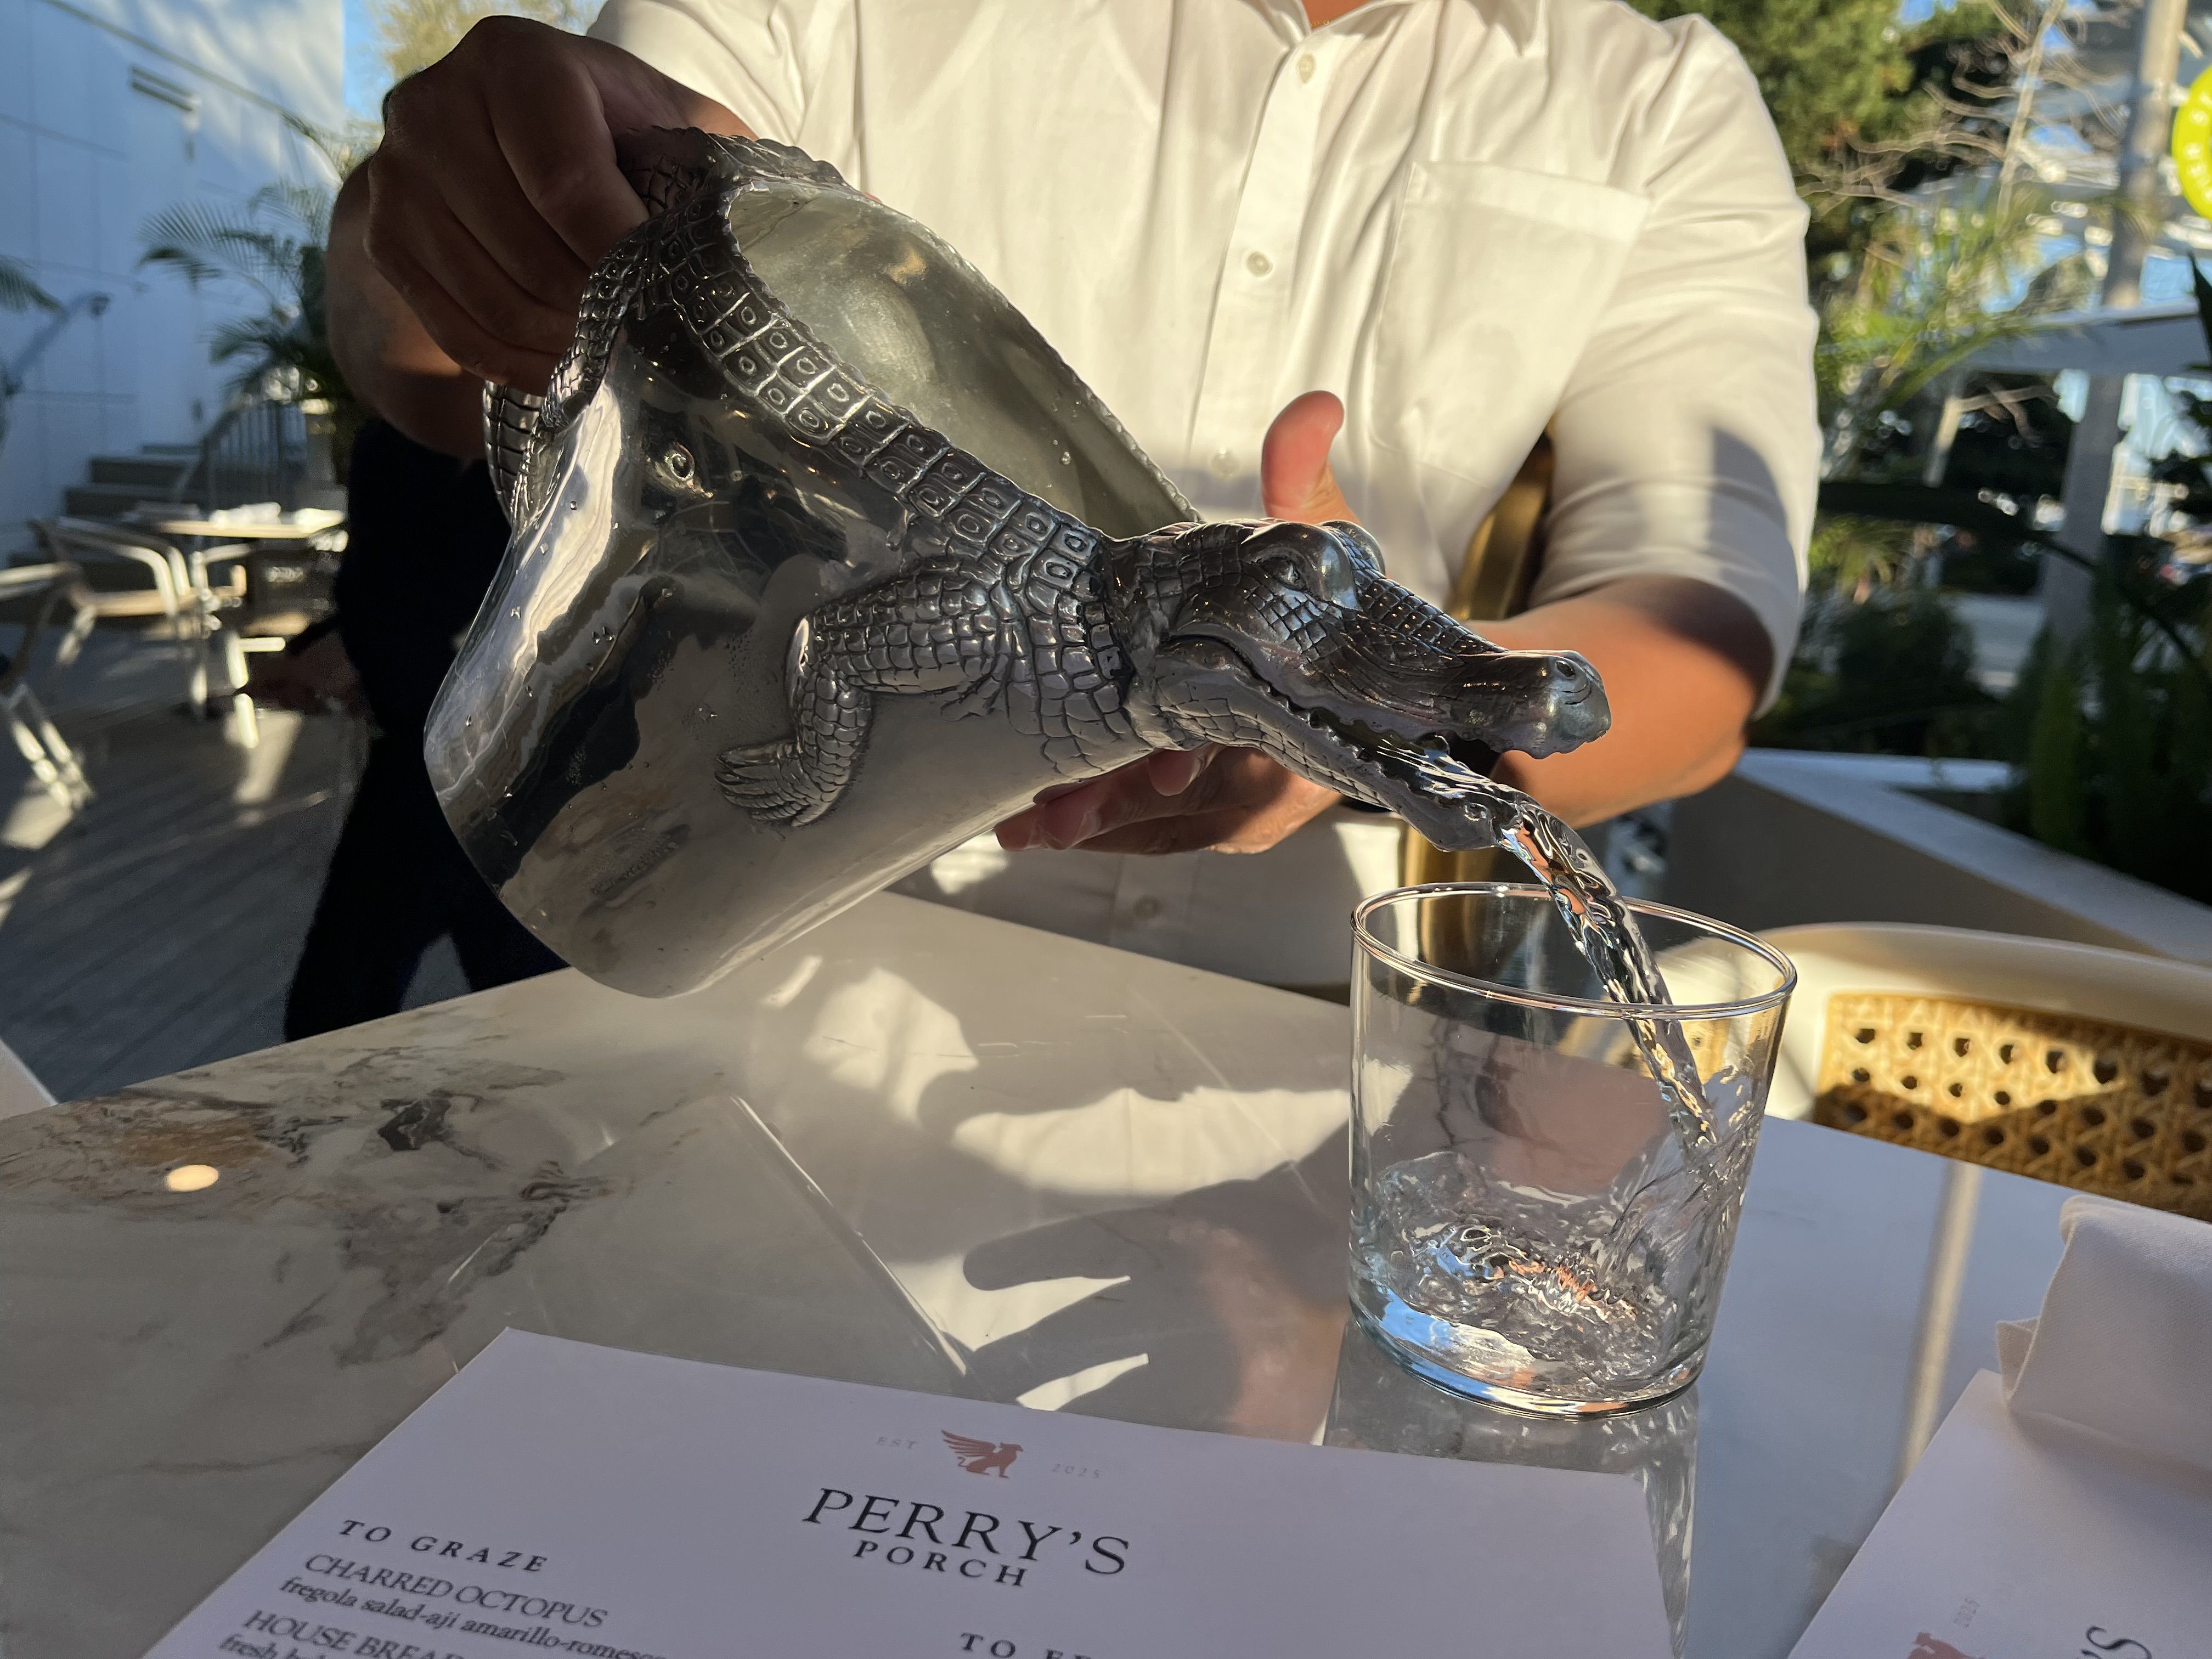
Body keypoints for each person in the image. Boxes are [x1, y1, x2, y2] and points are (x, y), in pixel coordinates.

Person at [328, 0, 1815, 986]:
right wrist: (434, 229)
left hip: (1312, 1016)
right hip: (774, 964)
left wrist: (1364, 721)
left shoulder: (1659, 98)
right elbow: (455, 342)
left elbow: (1699, 630)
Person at [272, 419, 565, 1037]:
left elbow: (491, 581)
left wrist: (356, 649)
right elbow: (395, 577)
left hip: (516, 768)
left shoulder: (560, 425)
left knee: (335, 1018)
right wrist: (341, 650)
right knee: (339, 1015)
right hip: (428, 759)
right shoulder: (399, 430)